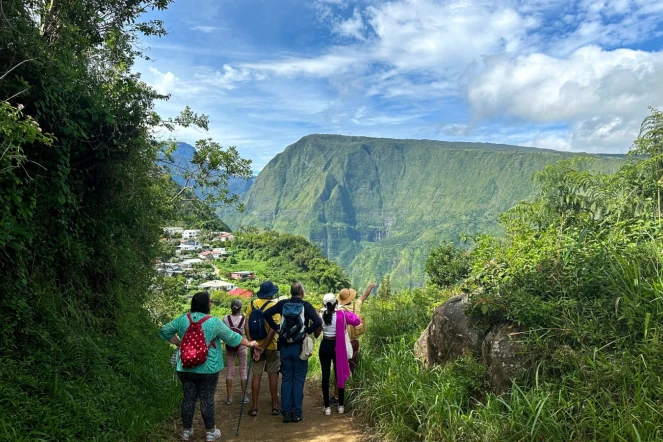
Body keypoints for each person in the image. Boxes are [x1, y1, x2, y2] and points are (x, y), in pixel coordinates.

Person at [160, 292, 259, 442]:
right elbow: (231, 337)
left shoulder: (182, 319)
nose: (211, 303)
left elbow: (164, 330)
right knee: (207, 399)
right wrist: (250, 343)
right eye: (210, 301)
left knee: (188, 398)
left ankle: (186, 431)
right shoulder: (213, 322)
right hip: (208, 367)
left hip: (185, 366)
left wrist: (178, 343)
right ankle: (210, 432)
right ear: (206, 304)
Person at [264, 282, 322, 423]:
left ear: (291, 292)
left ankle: (286, 413)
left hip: (284, 347)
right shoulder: (306, 306)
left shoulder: (283, 304)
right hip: (299, 348)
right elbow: (318, 321)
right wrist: (306, 332)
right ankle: (296, 413)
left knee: (287, 379)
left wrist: (277, 329)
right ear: (302, 293)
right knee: (298, 380)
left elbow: (266, 313)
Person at [331, 283, 377, 403]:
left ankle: (337, 395)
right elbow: (364, 296)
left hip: (340, 344)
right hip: (354, 342)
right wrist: (370, 287)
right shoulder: (356, 305)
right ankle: (354, 392)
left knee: (339, 369)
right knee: (353, 367)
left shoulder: (338, 310)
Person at [316, 293, 360, 415]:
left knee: (325, 376)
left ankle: (327, 407)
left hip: (325, 345)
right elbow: (356, 321)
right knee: (338, 374)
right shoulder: (342, 314)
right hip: (338, 347)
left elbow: (317, 332)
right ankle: (341, 406)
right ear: (336, 303)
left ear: (324, 304)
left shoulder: (321, 315)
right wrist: (346, 311)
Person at [244, 280, 281, 417]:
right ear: (271, 294)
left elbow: (246, 326)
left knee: (256, 374)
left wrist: (251, 343)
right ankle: (275, 406)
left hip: (255, 346)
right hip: (270, 346)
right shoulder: (274, 306)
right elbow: (273, 329)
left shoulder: (251, 304)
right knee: (273, 373)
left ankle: (254, 407)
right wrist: (264, 347)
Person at [222, 299, 249, 405]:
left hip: (230, 346)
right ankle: (244, 396)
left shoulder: (225, 319)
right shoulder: (244, 319)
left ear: (231, 307)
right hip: (242, 345)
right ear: (240, 308)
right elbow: (246, 332)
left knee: (230, 371)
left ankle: (229, 397)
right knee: (243, 370)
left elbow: (224, 332)